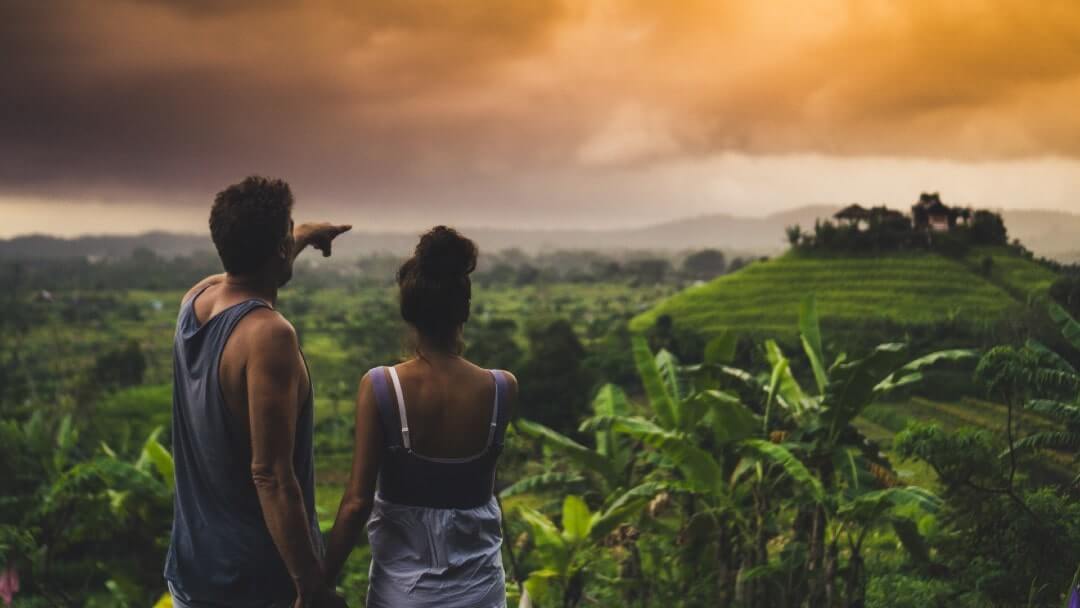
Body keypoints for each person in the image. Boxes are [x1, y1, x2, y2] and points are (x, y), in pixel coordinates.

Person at [165, 176, 351, 608]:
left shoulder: (194, 300)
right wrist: (311, 587)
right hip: (254, 585)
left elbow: (243, 270)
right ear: (279, 249)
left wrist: (300, 235)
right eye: (288, 230)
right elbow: (270, 474)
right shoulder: (268, 336)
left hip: (194, 573)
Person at [323, 226, 518, 607]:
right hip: (482, 591)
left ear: (408, 312)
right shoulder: (501, 389)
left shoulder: (382, 387)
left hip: (401, 593)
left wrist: (317, 583)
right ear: (464, 309)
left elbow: (356, 502)